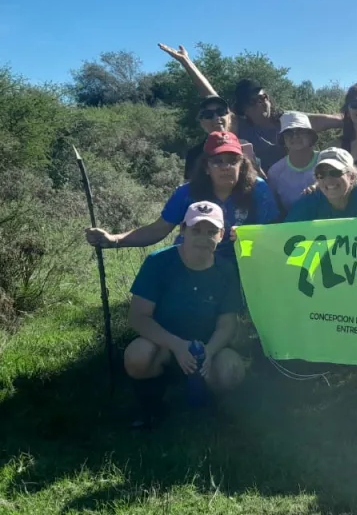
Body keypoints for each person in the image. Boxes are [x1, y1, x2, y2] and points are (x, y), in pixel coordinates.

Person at [124, 201, 245, 428]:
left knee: (232, 370)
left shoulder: (226, 270)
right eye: (196, 230)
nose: (203, 237)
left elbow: (228, 324)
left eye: (211, 232)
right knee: (137, 355)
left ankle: (213, 408)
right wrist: (177, 346)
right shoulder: (158, 262)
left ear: (221, 235)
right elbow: (138, 317)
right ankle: (152, 406)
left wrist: (209, 351)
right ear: (182, 230)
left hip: (208, 348)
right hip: (164, 346)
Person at [84, 132, 280, 260]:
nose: (225, 167)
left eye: (232, 161)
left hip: (239, 263)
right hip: (190, 259)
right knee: (157, 261)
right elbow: (158, 229)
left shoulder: (258, 189)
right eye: (217, 161)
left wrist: (252, 234)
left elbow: (274, 231)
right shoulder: (186, 192)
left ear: (242, 164)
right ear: (206, 167)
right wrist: (114, 239)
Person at [158, 43, 344, 174]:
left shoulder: (290, 121)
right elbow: (212, 96)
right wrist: (186, 62)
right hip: (262, 191)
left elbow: (337, 119)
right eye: (253, 101)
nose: (261, 103)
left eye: (263, 97)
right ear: (242, 108)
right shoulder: (242, 127)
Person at [285, 147, 357, 221]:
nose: (328, 180)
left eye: (335, 173)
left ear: (352, 176)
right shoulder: (308, 202)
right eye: (321, 174)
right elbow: (287, 233)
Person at [182, 94, 257, 181]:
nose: (216, 118)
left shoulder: (244, 145)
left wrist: (251, 164)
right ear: (202, 122)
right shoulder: (194, 154)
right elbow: (190, 187)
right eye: (208, 115)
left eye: (221, 112)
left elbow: (258, 181)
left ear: (229, 118)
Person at [267, 111, 319, 213]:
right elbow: (276, 209)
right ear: (283, 139)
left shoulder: (326, 159)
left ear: (310, 136)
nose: (295, 137)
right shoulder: (275, 172)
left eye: (300, 131)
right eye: (289, 133)